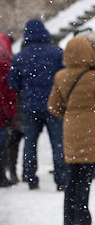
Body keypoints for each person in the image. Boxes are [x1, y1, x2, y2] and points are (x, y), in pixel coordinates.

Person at [48, 36, 95, 225]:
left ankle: (68, 219)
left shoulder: (60, 76)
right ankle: (83, 218)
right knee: (84, 181)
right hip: (90, 132)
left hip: (70, 131)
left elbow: (53, 106)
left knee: (71, 179)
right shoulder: (94, 77)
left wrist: (70, 112)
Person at [8, 19, 66, 190]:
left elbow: (13, 83)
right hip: (53, 106)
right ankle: (61, 180)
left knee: (30, 144)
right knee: (58, 144)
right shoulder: (57, 53)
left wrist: (27, 89)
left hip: (30, 106)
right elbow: (64, 77)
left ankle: (31, 179)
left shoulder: (20, 57)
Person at [0, 33, 17, 187]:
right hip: (1, 116)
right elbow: (7, 92)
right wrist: (10, 114)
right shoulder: (5, 65)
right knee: (2, 146)